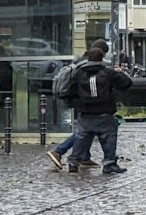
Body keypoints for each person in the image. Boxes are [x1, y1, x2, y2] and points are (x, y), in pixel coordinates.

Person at [49, 44, 131, 175]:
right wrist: (119, 74)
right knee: (109, 138)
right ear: (102, 58)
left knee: (81, 137)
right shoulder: (108, 73)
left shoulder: (79, 73)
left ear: (88, 58)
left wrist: (79, 104)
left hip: (85, 113)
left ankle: (73, 162)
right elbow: (126, 83)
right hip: (104, 112)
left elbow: (70, 92)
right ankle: (109, 163)